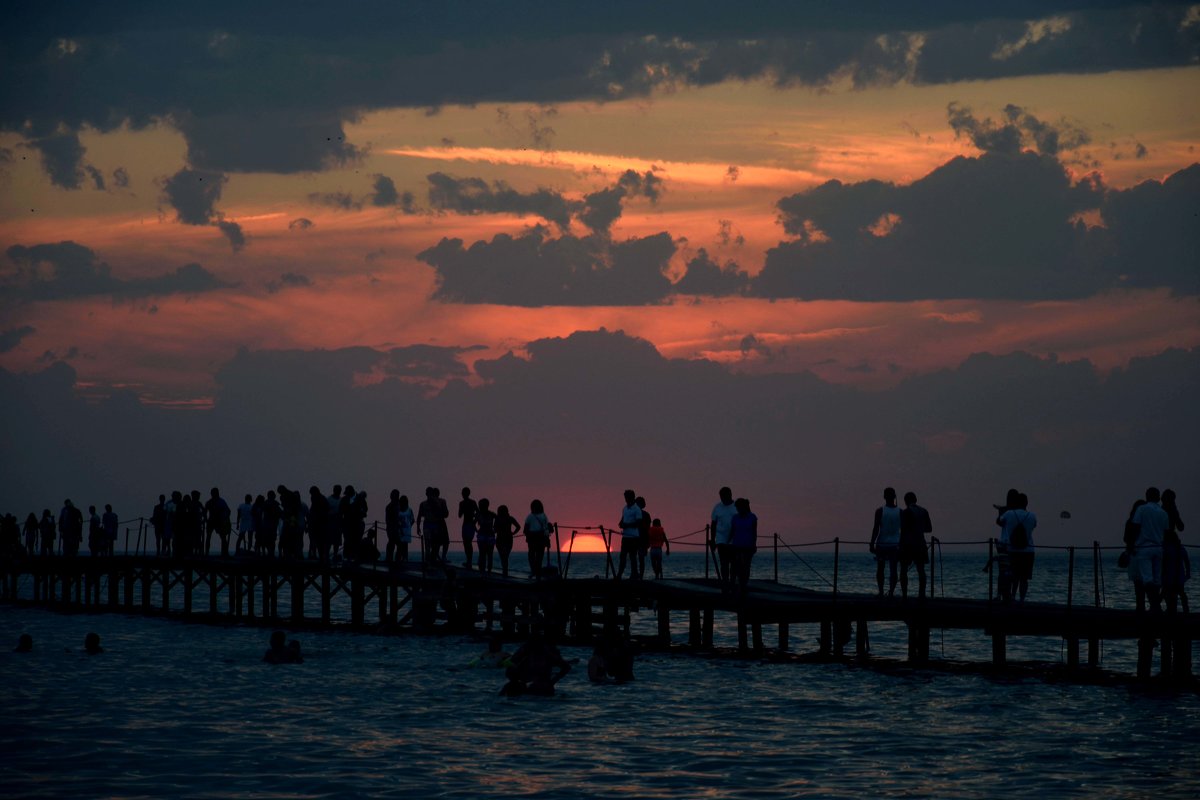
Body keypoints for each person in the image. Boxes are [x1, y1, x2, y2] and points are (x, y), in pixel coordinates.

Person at [1129, 487, 1169, 614]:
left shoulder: (1142, 509)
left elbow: (1135, 527)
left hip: (1144, 547)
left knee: (1147, 579)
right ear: (1158, 498)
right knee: (1157, 579)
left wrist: (1131, 545)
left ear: (1147, 496)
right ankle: (1155, 607)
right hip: (1159, 547)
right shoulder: (1163, 513)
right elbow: (1166, 532)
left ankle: (1155, 607)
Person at [500, 628, 572, 696]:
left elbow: (566, 667)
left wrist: (552, 682)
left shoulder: (548, 652)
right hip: (531, 686)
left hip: (541, 687)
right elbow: (511, 664)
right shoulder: (527, 649)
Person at [997, 492, 1037, 603]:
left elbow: (999, 521)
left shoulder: (1009, 514)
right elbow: (1034, 526)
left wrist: (1002, 511)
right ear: (1026, 503)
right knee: (1024, 578)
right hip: (1028, 551)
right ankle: (1022, 600)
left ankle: (1012, 597)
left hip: (1012, 550)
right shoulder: (1032, 516)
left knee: (1013, 576)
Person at [869, 487, 902, 597]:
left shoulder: (880, 511)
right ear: (894, 496)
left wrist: (872, 543)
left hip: (882, 543)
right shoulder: (900, 512)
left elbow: (876, 528)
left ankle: (881, 591)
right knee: (893, 569)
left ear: (884, 497)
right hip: (895, 544)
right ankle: (891, 592)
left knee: (881, 568)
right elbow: (903, 530)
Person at [899, 492, 932, 600]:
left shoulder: (906, 512)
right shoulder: (924, 511)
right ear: (916, 499)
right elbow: (929, 528)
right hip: (921, 543)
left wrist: (900, 544)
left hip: (908, 544)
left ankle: (904, 595)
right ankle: (921, 594)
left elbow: (903, 530)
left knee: (903, 569)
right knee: (921, 570)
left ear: (905, 501)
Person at [1161, 489, 1189, 614]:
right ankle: (1183, 611)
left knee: (1167, 582)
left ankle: (1168, 608)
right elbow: (1181, 527)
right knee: (1178, 585)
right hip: (1173, 543)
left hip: (1165, 544)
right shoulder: (1173, 510)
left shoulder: (1161, 510)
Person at [729, 498, 758, 596]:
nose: (737, 509)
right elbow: (732, 532)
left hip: (748, 545)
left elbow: (754, 532)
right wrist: (728, 543)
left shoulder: (752, 517)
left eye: (738, 507)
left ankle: (743, 585)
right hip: (737, 545)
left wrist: (754, 544)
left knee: (746, 566)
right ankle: (736, 585)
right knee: (736, 566)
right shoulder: (735, 518)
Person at [711, 487, 737, 587]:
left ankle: (732, 581)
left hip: (734, 540)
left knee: (734, 563)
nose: (723, 499)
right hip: (721, 539)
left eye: (724, 496)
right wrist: (713, 540)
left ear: (730, 495)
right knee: (724, 562)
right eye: (721, 497)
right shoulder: (717, 507)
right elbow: (713, 524)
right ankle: (725, 582)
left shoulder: (736, 507)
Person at [616, 490, 641, 580]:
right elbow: (622, 520)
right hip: (625, 537)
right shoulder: (624, 508)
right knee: (622, 556)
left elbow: (638, 523)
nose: (626, 499)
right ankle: (619, 575)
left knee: (632, 557)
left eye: (627, 497)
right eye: (625, 497)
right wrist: (621, 524)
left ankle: (634, 575)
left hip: (634, 537)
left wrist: (627, 525)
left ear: (632, 497)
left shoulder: (637, 509)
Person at [525, 500, 551, 579]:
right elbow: (546, 528)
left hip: (532, 538)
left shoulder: (529, 516)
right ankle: (538, 573)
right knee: (539, 556)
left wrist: (527, 535)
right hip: (541, 538)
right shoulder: (544, 516)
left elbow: (526, 528)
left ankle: (534, 571)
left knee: (531, 556)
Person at [495, 504, 520, 577]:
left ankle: (504, 571)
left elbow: (495, 529)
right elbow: (518, 527)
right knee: (505, 556)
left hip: (500, 539)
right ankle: (505, 571)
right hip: (508, 539)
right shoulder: (510, 518)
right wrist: (513, 533)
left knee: (503, 556)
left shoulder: (497, 519)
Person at [206, 488, 232, 558]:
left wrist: (225, 519)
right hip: (214, 521)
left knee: (222, 538)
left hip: (218, 522)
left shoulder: (219, 502)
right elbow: (228, 511)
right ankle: (207, 553)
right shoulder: (216, 502)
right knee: (210, 537)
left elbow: (228, 511)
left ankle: (224, 553)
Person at [475, 498, 497, 574]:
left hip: (482, 535)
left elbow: (473, 523)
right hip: (490, 535)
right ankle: (489, 570)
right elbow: (497, 520)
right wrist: (494, 528)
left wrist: (476, 530)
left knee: (482, 553)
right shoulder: (492, 514)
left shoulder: (478, 514)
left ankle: (482, 569)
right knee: (489, 554)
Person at [459, 487, 478, 569]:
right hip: (468, 524)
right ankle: (468, 561)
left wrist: (474, 520)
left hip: (468, 524)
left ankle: (469, 561)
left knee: (467, 543)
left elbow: (459, 515)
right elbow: (460, 515)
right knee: (467, 543)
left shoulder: (465, 503)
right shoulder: (467, 503)